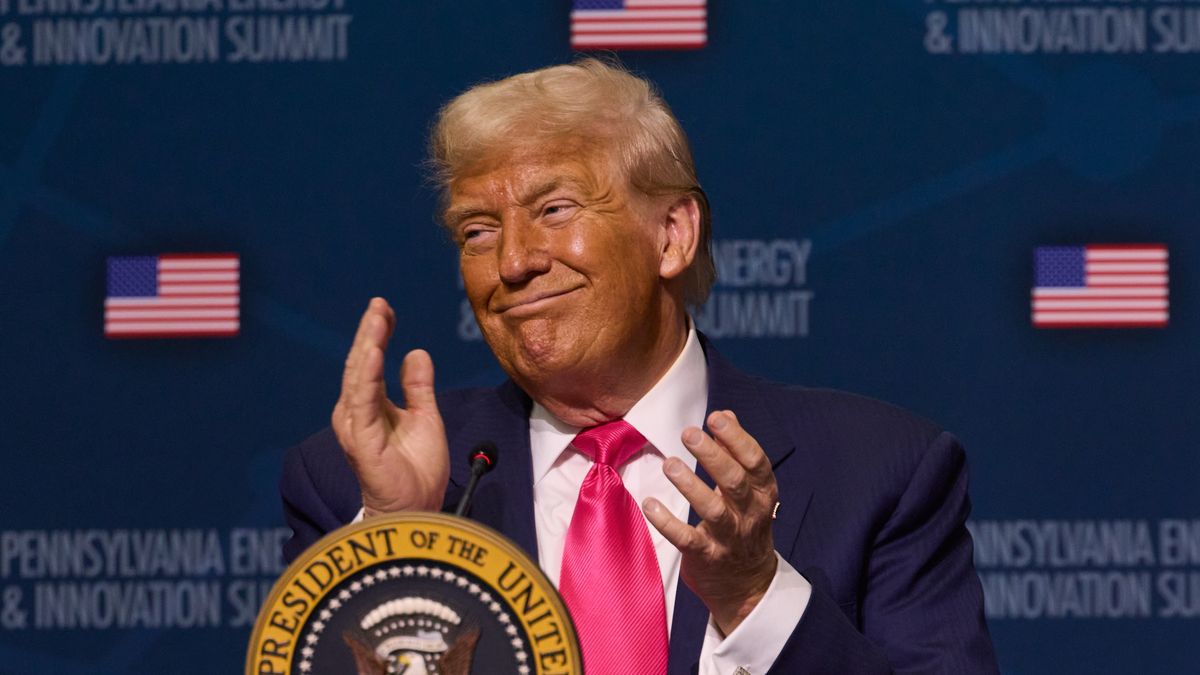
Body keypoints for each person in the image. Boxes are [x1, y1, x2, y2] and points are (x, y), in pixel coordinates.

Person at [281, 58, 999, 674]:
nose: (513, 261)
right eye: (478, 230)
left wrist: (755, 595)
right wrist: (401, 540)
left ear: (672, 235)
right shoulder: (360, 488)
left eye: (555, 209)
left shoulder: (879, 470)